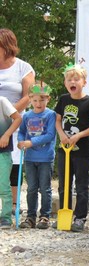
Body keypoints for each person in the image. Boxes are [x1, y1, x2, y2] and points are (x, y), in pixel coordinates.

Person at [54, 63, 89, 232]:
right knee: (63, 184)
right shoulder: (63, 99)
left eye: (76, 79)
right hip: (63, 149)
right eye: (69, 79)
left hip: (81, 151)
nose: (72, 81)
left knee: (81, 184)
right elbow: (58, 120)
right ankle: (64, 213)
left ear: (84, 82)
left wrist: (78, 135)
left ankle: (80, 217)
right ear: (66, 83)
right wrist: (62, 135)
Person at [0, 28, 35, 215]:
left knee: (11, 162)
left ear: (6, 47)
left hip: (13, 120)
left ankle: (13, 205)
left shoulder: (23, 67)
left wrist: (9, 113)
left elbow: (28, 96)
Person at [17, 84, 56, 229]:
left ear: (48, 99)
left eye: (42, 100)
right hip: (30, 158)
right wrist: (21, 141)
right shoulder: (26, 115)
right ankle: (30, 217)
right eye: (35, 100)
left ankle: (45, 216)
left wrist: (30, 142)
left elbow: (50, 135)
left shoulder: (50, 115)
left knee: (45, 188)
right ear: (30, 100)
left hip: (45, 157)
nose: (38, 104)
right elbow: (21, 131)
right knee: (31, 188)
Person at [0, 96, 22, 228]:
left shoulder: (2, 100)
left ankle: (6, 217)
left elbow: (18, 118)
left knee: (3, 185)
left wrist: (6, 135)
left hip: (2, 152)